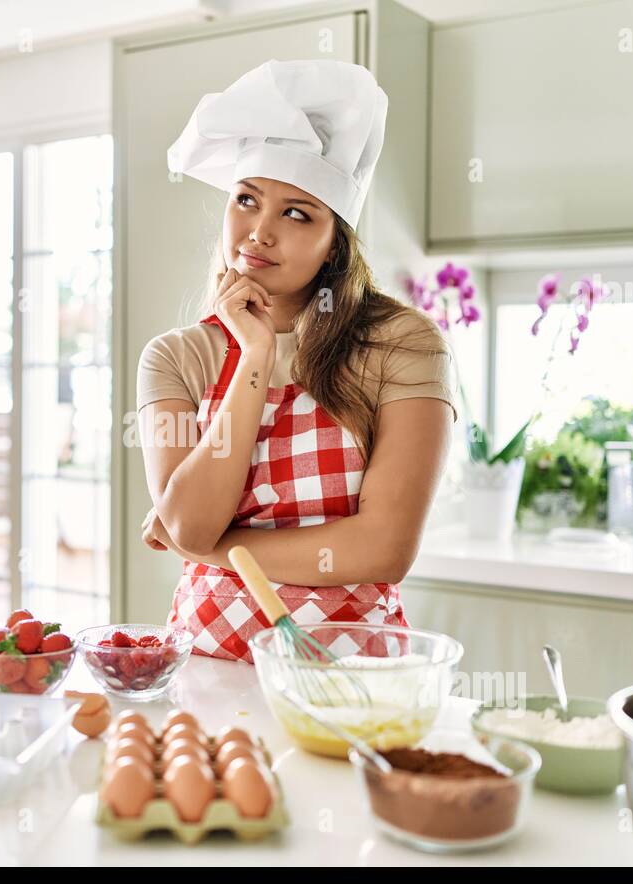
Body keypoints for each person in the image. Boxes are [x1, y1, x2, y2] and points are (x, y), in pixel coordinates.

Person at [136, 59, 460, 664]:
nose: (258, 233)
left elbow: (384, 548)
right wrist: (253, 355)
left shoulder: (403, 344)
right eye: (246, 200)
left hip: (349, 673)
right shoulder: (176, 357)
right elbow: (189, 522)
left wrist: (205, 548)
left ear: (335, 240)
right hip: (206, 665)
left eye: (295, 213)